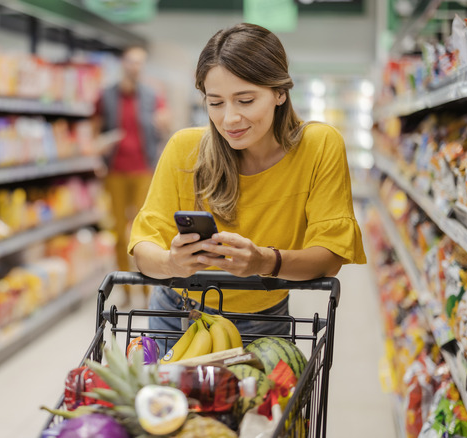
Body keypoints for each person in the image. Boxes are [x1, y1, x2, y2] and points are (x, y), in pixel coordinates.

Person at [127, 23, 366, 354]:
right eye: (216, 103)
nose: (229, 119)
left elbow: (329, 257)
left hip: (263, 322)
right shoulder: (185, 149)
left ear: (280, 92)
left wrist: (263, 261)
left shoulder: (319, 146)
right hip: (176, 315)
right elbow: (143, 247)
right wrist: (172, 263)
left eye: (245, 100)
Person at [95, 45, 171, 306]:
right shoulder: (106, 95)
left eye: (140, 62)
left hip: (143, 171)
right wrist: (98, 147)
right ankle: (125, 290)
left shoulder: (152, 95)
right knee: (118, 231)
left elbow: (164, 124)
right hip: (115, 171)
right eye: (131, 62)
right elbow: (95, 129)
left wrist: (163, 124)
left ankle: (148, 290)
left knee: (145, 233)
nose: (135, 67)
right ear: (122, 64)